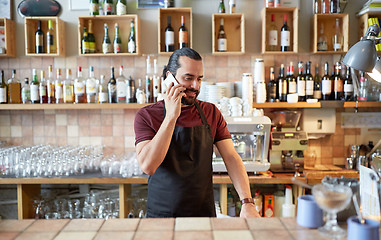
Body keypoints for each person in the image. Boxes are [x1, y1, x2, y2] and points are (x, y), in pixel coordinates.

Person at [134, 48, 260, 218]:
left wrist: (247, 202)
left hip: (203, 215)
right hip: (161, 217)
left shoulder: (211, 112)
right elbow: (148, 166)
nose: (196, 86)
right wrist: (171, 116)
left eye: (199, 79)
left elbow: (231, 157)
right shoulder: (147, 115)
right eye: (188, 78)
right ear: (169, 77)